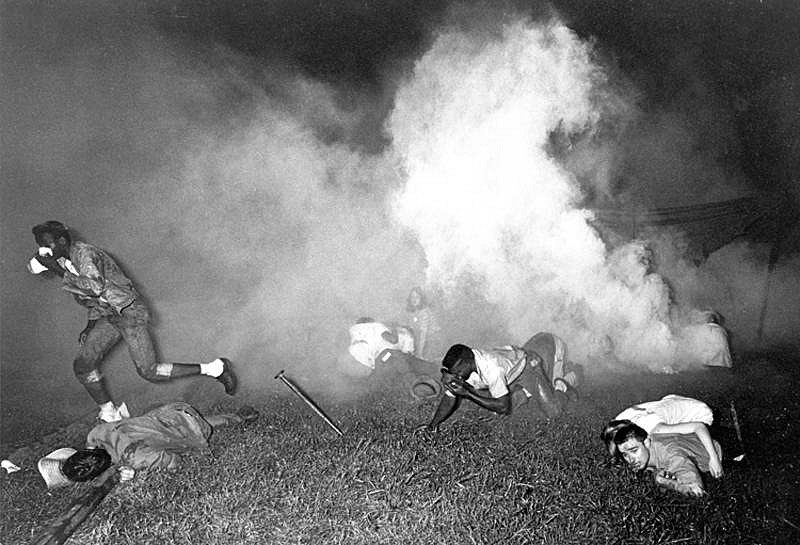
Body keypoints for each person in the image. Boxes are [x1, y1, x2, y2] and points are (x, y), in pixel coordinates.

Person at [28, 221, 237, 423]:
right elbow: (94, 299)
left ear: (63, 241)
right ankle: (110, 413)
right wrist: (90, 325)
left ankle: (215, 368)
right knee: (83, 365)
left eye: (48, 243)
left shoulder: (84, 254)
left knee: (150, 371)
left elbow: (95, 287)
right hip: (110, 314)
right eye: (41, 244)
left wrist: (55, 270)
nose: (44, 249)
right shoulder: (66, 262)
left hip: (129, 313)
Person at [37, 402, 259, 488]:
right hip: (170, 411)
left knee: (198, 432)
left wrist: (128, 471)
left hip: (186, 428)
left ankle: (239, 419)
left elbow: (174, 462)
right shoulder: (95, 433)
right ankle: (238, 417)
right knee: (161, 425)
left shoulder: (136, 457)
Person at [415, 332, 574, 432]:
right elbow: (450, 396)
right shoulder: (461, 368)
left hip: (531, 362)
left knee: (553, 412)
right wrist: (432, 426)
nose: (455, 377)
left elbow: (503, 407)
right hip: (514, 363)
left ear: (467, 364)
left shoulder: (492, 368)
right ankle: (523, 392)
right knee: (496, 410)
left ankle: (568, 380)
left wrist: (468, 393)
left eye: (456, 373)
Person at [600, 394, 723, 478]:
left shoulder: (655, 429)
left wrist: (714, 458)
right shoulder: (619, 421)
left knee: (682, 444)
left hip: (699, 414)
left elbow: (699, 426)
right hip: (671, 401)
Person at [609, 420, 723, 497]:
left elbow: (694, 488)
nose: (631, 459)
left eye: (634, 451)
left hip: (724, 447)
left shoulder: (670, 452)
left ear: (647, 442)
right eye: (625, 455)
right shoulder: (646, 453)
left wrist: (677, 485)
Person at [347, 317, 415, 372]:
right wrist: (394, 327)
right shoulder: (376, 327)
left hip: (350, 355)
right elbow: (393, 340)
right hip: (364, 361)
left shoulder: (355, 330)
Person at [404, 287, 443, 362]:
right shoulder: (412, 313)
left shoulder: (424, 312)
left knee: (423, 361)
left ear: (421, 299)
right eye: (412, 297)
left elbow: (423, 333)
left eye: (417, 297)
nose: (414, 299)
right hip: (422, 341)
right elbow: (411, 331)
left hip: (433, 341)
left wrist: (419, 353)